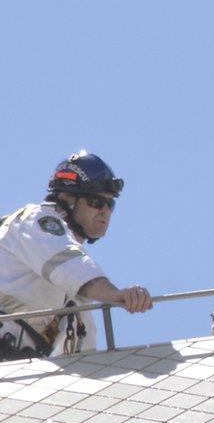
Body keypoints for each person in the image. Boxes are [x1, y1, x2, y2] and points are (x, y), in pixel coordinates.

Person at [0, 151, 153, 361]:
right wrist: (115, 295)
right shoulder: (36, 220)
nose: (105, 211)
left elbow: (85, 359)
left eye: (111, 204)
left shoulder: (75, 292)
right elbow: (69, 266)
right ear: (67, 199)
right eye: (96, 201)